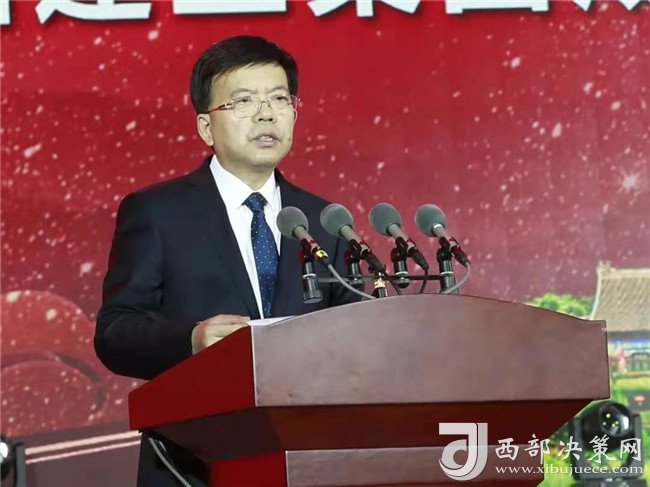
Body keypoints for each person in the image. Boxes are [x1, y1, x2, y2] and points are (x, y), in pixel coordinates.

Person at [95, 35, 360, 486]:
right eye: (243, 101)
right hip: (192, 466)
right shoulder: (158, 213)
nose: (265, 113)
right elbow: (116, 331)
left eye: (279, 98)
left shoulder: (324, 220)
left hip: (309, 462)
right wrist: (192, 341)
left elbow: (358, 336)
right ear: (205, 127)